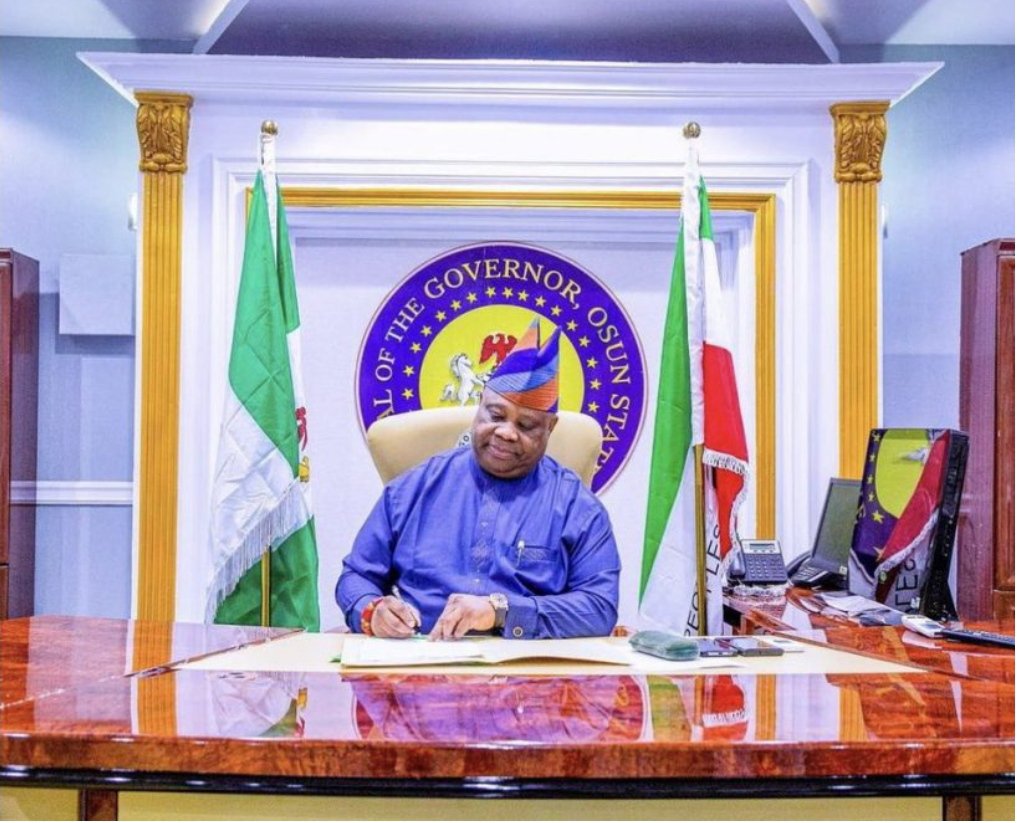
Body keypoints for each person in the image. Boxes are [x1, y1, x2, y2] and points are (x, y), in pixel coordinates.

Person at [336, 318, 620, 640]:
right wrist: (372, 611)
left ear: (550, 428)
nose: (506, 432)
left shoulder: (577, 507)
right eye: (495, 416)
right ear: (479, 406)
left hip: (525, 666)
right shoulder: (413, 488)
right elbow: (356, 576)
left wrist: (501, 611)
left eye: (526, 426)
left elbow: (599, 607)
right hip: (422, 657)